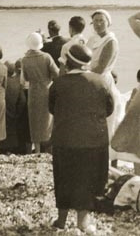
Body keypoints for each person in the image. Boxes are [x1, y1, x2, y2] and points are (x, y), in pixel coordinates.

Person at [49, 44, 113, 233]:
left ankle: (61, 220)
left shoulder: (58, 83)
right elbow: (109, 109)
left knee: (64, 178)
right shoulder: (101, 81)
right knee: (89, 179)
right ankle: (83, 222)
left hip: (64, 138)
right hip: (94, 139)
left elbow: (51, 108)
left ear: (67, 61)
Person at [86, 9, 122, 160]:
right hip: (91, 80)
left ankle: (108, 158)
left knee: (106, 122)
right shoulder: (93, 39)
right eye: (95, 21)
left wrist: (83, 71)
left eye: (102, 20)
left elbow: (101, 68)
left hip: (101, 82)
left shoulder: (110, 41)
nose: (99, 24)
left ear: (108, 22)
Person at [22, 32, 59, 154]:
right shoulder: (46, 57)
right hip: (46, 90)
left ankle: (37, 150)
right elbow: (56, 74)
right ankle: (49, 150)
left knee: (34, 121)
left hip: (33, 92)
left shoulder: (25, 59)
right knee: (48, 120)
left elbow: (25, 79)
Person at [0, 61, 26, 154]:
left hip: (2, 112)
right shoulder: (17, 84)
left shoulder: (2, 83)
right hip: (13, 112)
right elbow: (22, 101)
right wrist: (18, 113)